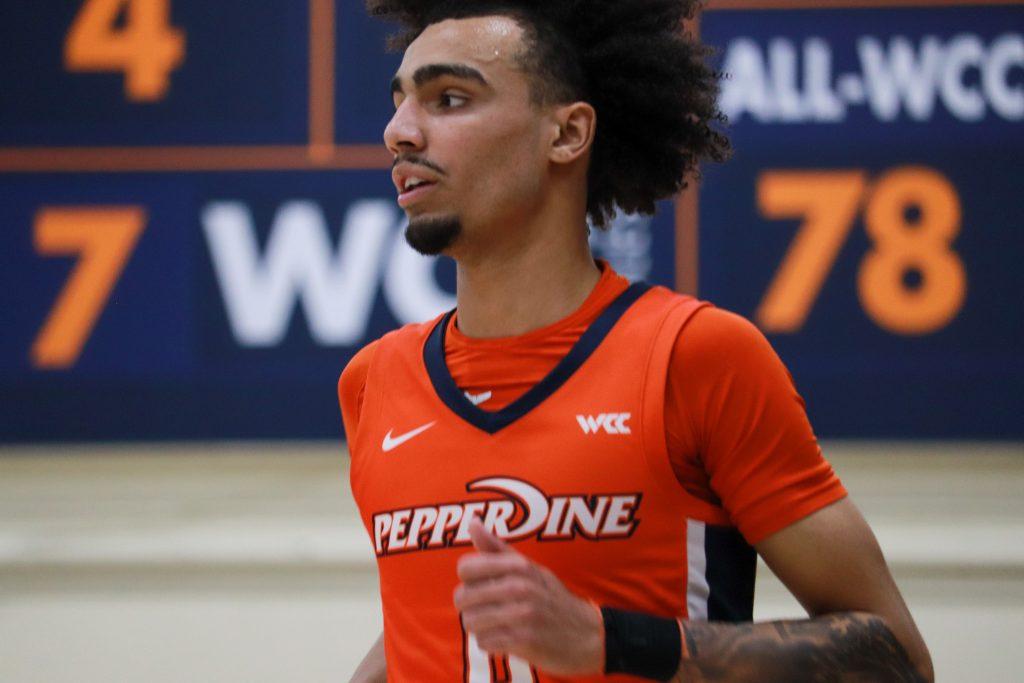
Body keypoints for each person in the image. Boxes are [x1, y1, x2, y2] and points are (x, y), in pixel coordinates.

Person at [339, 1, 933, 681]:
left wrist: (610, 639)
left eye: (448, 98)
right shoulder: (373, 380)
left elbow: (895, 658)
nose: (399, 132)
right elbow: (427, 626)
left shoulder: (696, 355)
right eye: (399, 103)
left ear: (567, 133)